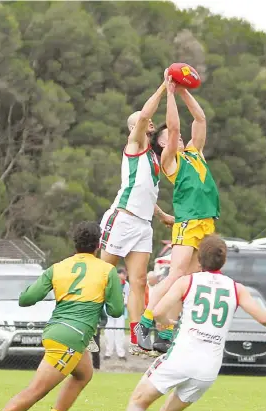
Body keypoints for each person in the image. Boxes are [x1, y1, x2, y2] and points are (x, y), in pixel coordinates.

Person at [111, 234, 266, 411]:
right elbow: (264, 319)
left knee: (137, 402)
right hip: (208, 368)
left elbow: (159, 311)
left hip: (182, 356)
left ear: (199, 260)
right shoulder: (236, 289)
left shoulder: (187, 281)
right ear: (223, 261)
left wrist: (169, 322)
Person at [0, 222, 124, 411]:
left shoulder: (58, 267)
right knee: (36, 391)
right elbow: (116, 311)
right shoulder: (107, 270)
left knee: (84, 374)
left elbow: (26, 299)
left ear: (74, 243)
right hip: (72, 337)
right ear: (99, 244)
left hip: (56, 331)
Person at [137, 72, 220, 355]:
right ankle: (145, 322)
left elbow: (200, 120)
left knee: (194, 279)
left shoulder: (195, 152)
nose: (178, 135)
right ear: (161, 144)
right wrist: (170, 93)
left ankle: (167, 331)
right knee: (174, 277)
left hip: (207, 222)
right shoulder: (170, 160)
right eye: (169, 137)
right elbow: (173, 129)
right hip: (190, 222)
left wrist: (184, 91)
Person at [100, 78, 174, 355]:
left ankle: (136, 338)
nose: (152, 124)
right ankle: (85, 325)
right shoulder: (134, 145)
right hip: (123, 218)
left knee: (139, 281)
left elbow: (146, 192)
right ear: (136, 128)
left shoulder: (154, 158)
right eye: (148, 123)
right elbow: (144, 115)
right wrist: (163, 89)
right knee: (102, 274)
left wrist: (162, 214)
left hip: (143, 225)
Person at [104, 268, 130, 360]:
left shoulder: (126, 285)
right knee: (109, 332)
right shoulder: (110, 283)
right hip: (109, 312)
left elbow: (128, 296)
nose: (124, 276)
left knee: (120, 332)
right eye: (123, 274)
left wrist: (125, 302)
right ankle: (108, 352)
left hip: (121, 312)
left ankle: (121, 353)